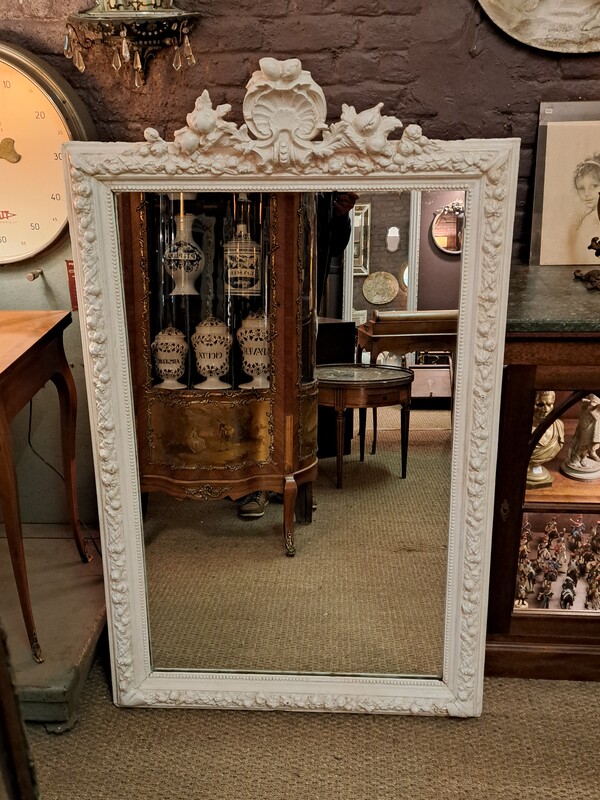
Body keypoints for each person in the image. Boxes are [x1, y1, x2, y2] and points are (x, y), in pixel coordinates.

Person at [238, 191, 358, 520]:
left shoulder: (317, 193)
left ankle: (293, 478)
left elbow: (332, 249)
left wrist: (339, 216)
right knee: (258, 390)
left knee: (297, 395)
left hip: (302, 309)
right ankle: (258, 483)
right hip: (258, 308)